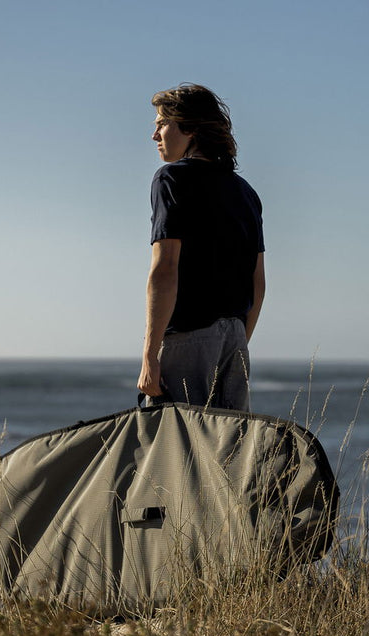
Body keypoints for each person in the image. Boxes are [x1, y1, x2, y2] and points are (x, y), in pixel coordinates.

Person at [137, 83, 265, 411]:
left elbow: (165, 269)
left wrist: (150, 356)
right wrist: (238, 342)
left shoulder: (170, 179)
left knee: (171, 438)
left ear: (190, 128)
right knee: (227, 441)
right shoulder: (245, 192)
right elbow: (258, 283)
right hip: (236, 339)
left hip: (188, 337)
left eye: (162, 124)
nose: (155, 135)